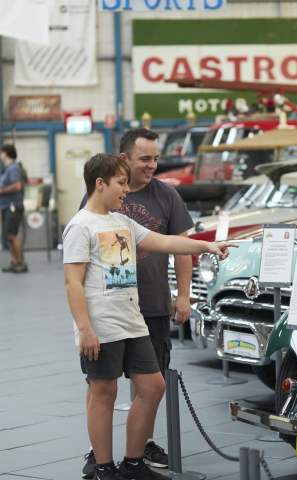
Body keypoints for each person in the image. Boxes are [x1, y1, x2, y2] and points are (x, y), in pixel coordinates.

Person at [63, 153, 234, 480]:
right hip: (101, 324)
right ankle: (102, 468)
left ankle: (133, 461)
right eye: (121, 183)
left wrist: (206, 247)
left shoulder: (122, 222)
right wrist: (85, 329)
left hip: (132, 321)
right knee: (104, 392)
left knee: (153, 386)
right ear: (100, 184)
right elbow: (72, 281)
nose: (126, 190)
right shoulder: (80, 226)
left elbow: (166, 241)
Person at [81, 128, 195, 477]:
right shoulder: (100, 201)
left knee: (150, 382)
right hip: (110, 310)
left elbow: (177, 245)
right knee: (102, 385)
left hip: (154, 306)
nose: (152, 165)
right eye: (145, 158)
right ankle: (98, 456)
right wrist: (85, 321)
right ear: (124, 159)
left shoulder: (167, 196)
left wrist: (184, 295)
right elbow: (77, 268)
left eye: (155, 158)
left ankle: (139, 448)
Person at [0, 144, 27, 273]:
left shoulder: (13, 168)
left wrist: (1, 190)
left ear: (6, 153)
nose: (0, 155)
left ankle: (21, 262)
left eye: (1, 152)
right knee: (9, 236)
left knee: (13, 236)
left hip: (12, 206)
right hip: (6, 206)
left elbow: (18, 186)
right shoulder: (8, 169)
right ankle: (14, 261)